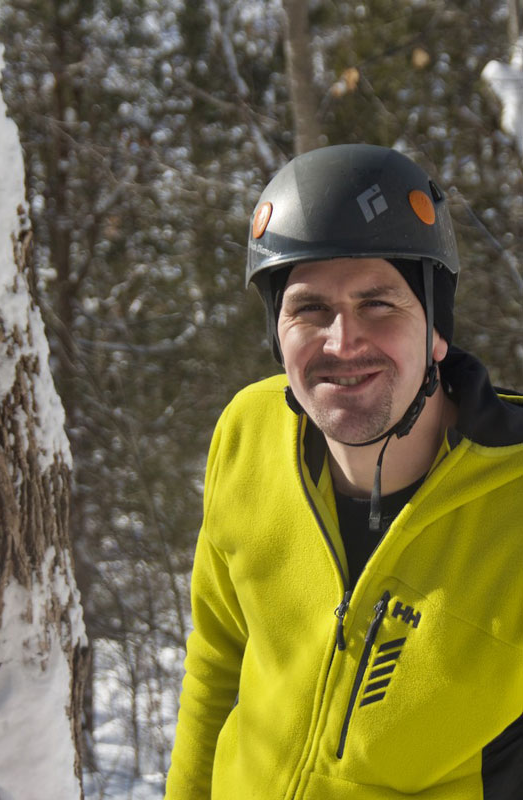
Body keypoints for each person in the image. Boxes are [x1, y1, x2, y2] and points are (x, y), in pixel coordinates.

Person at [164, 144, 523, 800]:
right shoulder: (246, 434)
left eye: (378, 303)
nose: (342, 341)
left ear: (435, 329)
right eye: (308, 308)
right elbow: (216, 661)